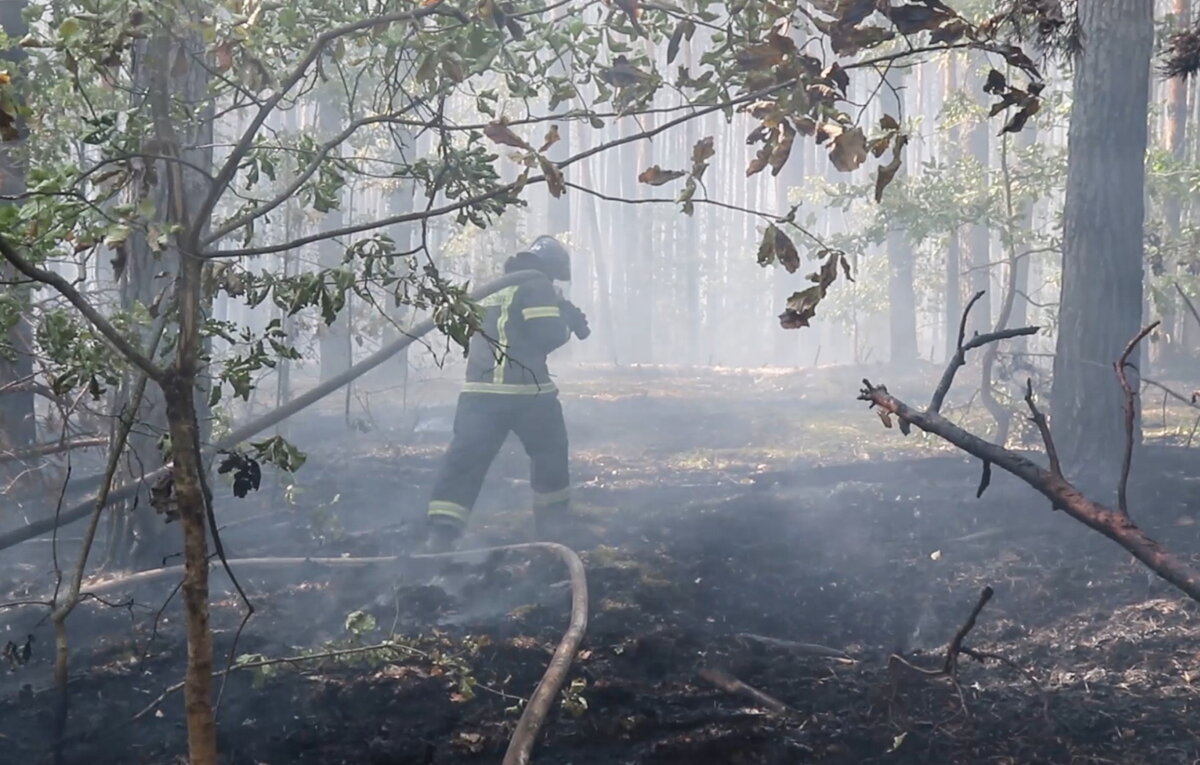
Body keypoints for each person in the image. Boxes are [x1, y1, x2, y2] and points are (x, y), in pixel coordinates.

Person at [423, 235, 590, 553]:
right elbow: (547, 334)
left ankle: (441, 534)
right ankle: (552, 529)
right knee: (550, 455)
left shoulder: (497, 287)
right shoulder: (537, 284)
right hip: (526, 393)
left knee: (464, 463)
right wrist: (567, 322)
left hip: (478, 393)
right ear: (552, 268)